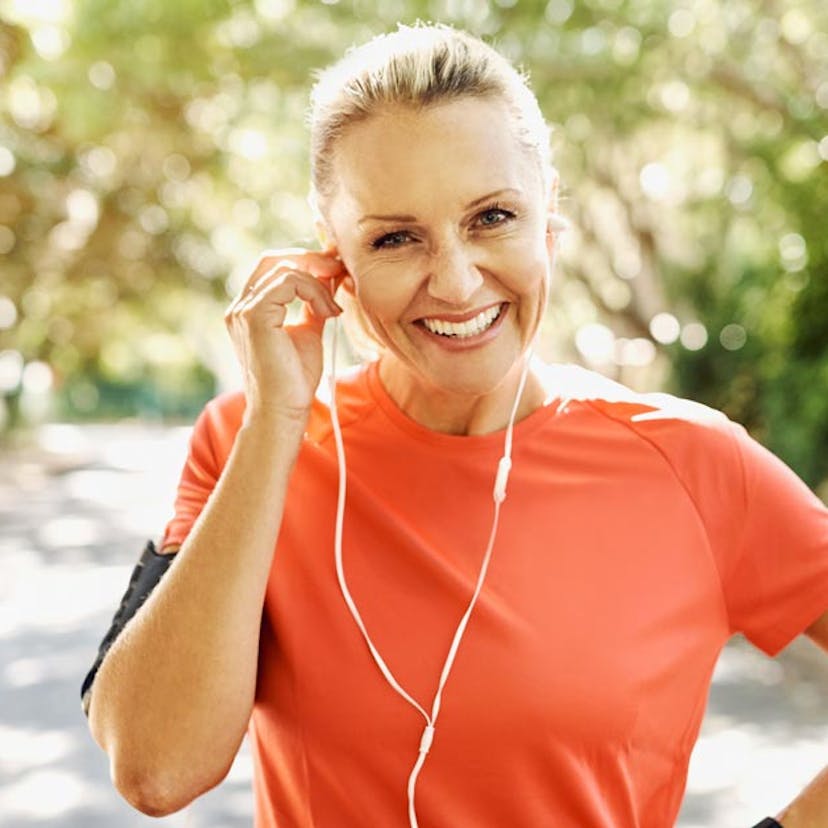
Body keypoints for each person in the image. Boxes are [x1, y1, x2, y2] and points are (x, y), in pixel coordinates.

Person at [81, 21, 828, 828]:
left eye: (492, 217)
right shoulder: (247, 440)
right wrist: (276, 425)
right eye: (396, 238)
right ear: (333, 261)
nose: (457, 280)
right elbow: (155, 770)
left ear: (550, 223)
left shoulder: (695, 462)